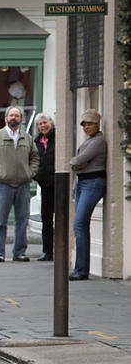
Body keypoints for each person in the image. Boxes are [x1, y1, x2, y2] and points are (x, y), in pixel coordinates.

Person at [0, 106, 39, 263]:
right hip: (3, 185)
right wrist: (0, 173)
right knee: (0, 221)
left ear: (21, 119)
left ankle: (19, 252)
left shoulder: (27, 138)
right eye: (11, 115)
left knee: (22, 220)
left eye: (17, 115)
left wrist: (30, 173)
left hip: (23, 184)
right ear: (6, 118)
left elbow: (35, 158)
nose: (14, 118)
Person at [68, 109, 107, 281]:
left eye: (90, 123)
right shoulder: (89, 141)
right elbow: (78, 163)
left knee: (79, 225)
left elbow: (76, 161)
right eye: (84, 124)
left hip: (93, 183)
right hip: (82, 183)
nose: (86, 127)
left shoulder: (98, 141)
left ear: (98, 124)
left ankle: (82, 269)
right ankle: (81, 268)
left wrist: (78, 163)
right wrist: (79, 163)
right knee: (80, 226)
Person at [33, 114, 55, 261]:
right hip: (44, 185)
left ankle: (62, 249)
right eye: (40, 124)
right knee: (46, 219)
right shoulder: (36, 141)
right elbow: (32, 161)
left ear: (51, 123)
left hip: (59, 183)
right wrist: (36, 176)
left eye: (45, 122)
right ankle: (47, 251)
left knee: (61, 218)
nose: (43, 126)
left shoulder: (59, 137)